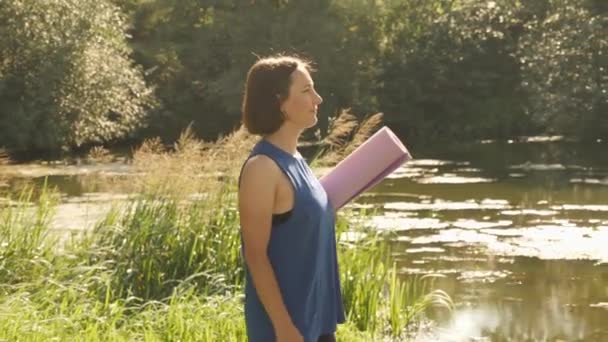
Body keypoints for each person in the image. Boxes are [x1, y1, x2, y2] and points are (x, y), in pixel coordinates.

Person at [238, 55, 345, 342]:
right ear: (280, 103)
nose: (318, 99)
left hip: (316, 321)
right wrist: (283, 327)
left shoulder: (297, 160)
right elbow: (255, 256)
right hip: (286, 329)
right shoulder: (261, 168)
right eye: (307, 91)